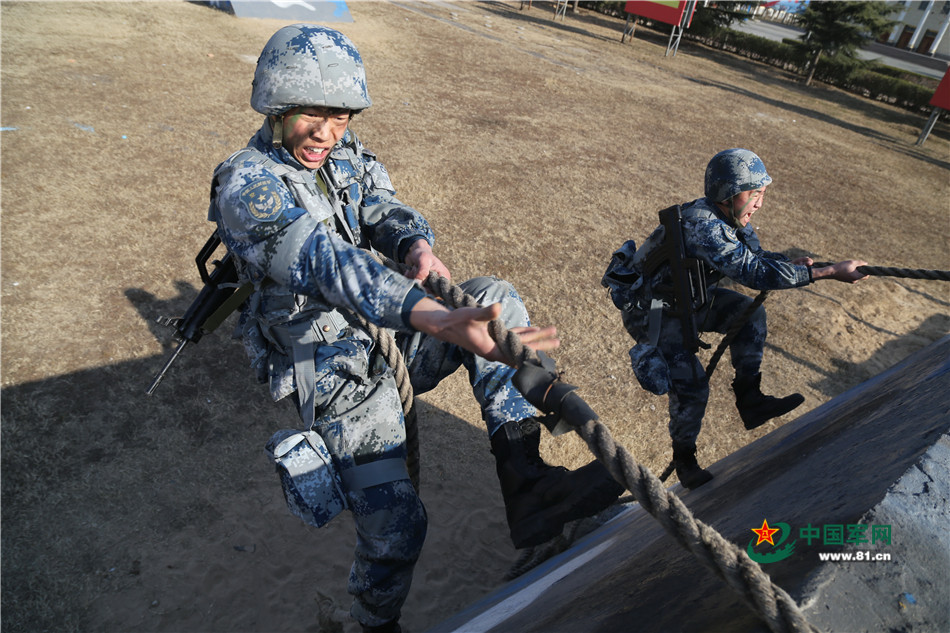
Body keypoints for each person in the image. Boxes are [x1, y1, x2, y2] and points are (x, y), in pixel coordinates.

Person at [208, 24, 623, 633]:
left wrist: (417, 248)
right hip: (333, 373)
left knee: (494, 298)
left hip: (389, 337)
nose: (327, 133)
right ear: (276, 107)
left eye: (341, 117)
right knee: (400, 524)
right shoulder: (247, 185)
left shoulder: (341, 157)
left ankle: (529, 486)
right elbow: (329, 265)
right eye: (312, 116)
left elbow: (382, 207)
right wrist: (438, 317)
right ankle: (374, 623)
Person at [607, 148, 867, 490]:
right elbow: (753, 272)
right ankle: (685, 459)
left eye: (762, 194)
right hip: (653, 314)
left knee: (750, 314)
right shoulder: (703, 225)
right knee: (692, 384)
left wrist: (797, 267)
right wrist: (829, 272)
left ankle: (750, 399)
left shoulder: (728, 219)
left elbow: (756, 257)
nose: (759, 202)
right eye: (753, 194)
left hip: (689, 300)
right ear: (727, 194)